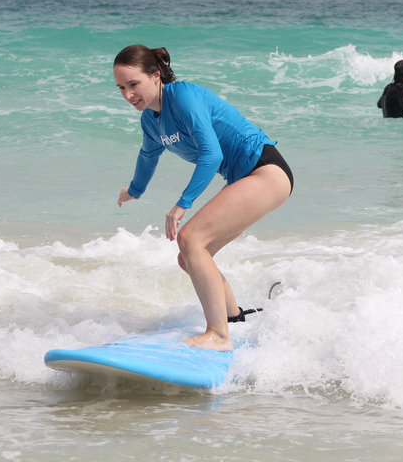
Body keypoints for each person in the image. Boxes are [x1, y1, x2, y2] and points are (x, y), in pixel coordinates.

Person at [113, 44, 294, 351]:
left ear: (156, 76)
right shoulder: (150, 121)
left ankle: (219, 335)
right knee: (190, 257)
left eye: (134, 85)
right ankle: (235, 319)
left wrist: (182, 204)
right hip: (247, 178)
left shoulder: (182, 97)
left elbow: (212, 154)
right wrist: (134, 191)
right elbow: (148, 156)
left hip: (266, 170)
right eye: (121, 88)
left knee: (190, 238)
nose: (129, 95)